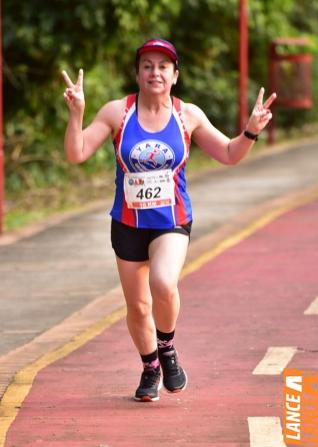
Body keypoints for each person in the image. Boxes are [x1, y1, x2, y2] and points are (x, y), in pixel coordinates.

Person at [62, 38, 276, 402]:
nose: (155, 72)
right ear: (137, 74)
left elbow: (227, 152)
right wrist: (77, 113)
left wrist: (251, 130)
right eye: (147, 65)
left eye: (163, 66)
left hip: (171, 220)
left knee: (163, 282)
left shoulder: (187, 115)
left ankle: (168, 348)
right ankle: (150, 368)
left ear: (175, 75)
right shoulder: (118, 112)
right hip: (127, 223)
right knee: (138, 307)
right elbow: (77, 153)